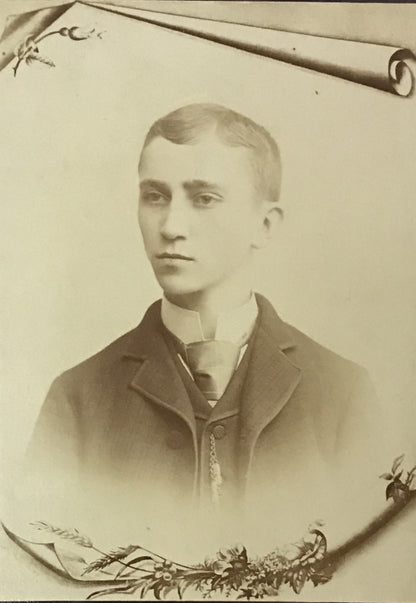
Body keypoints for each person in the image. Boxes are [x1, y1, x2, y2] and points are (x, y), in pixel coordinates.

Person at [26, 103, 380, 547]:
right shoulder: (76, 399)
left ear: (265, 225)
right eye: (155, 196)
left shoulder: (343, 393)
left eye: (204, 198)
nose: (171, 226)